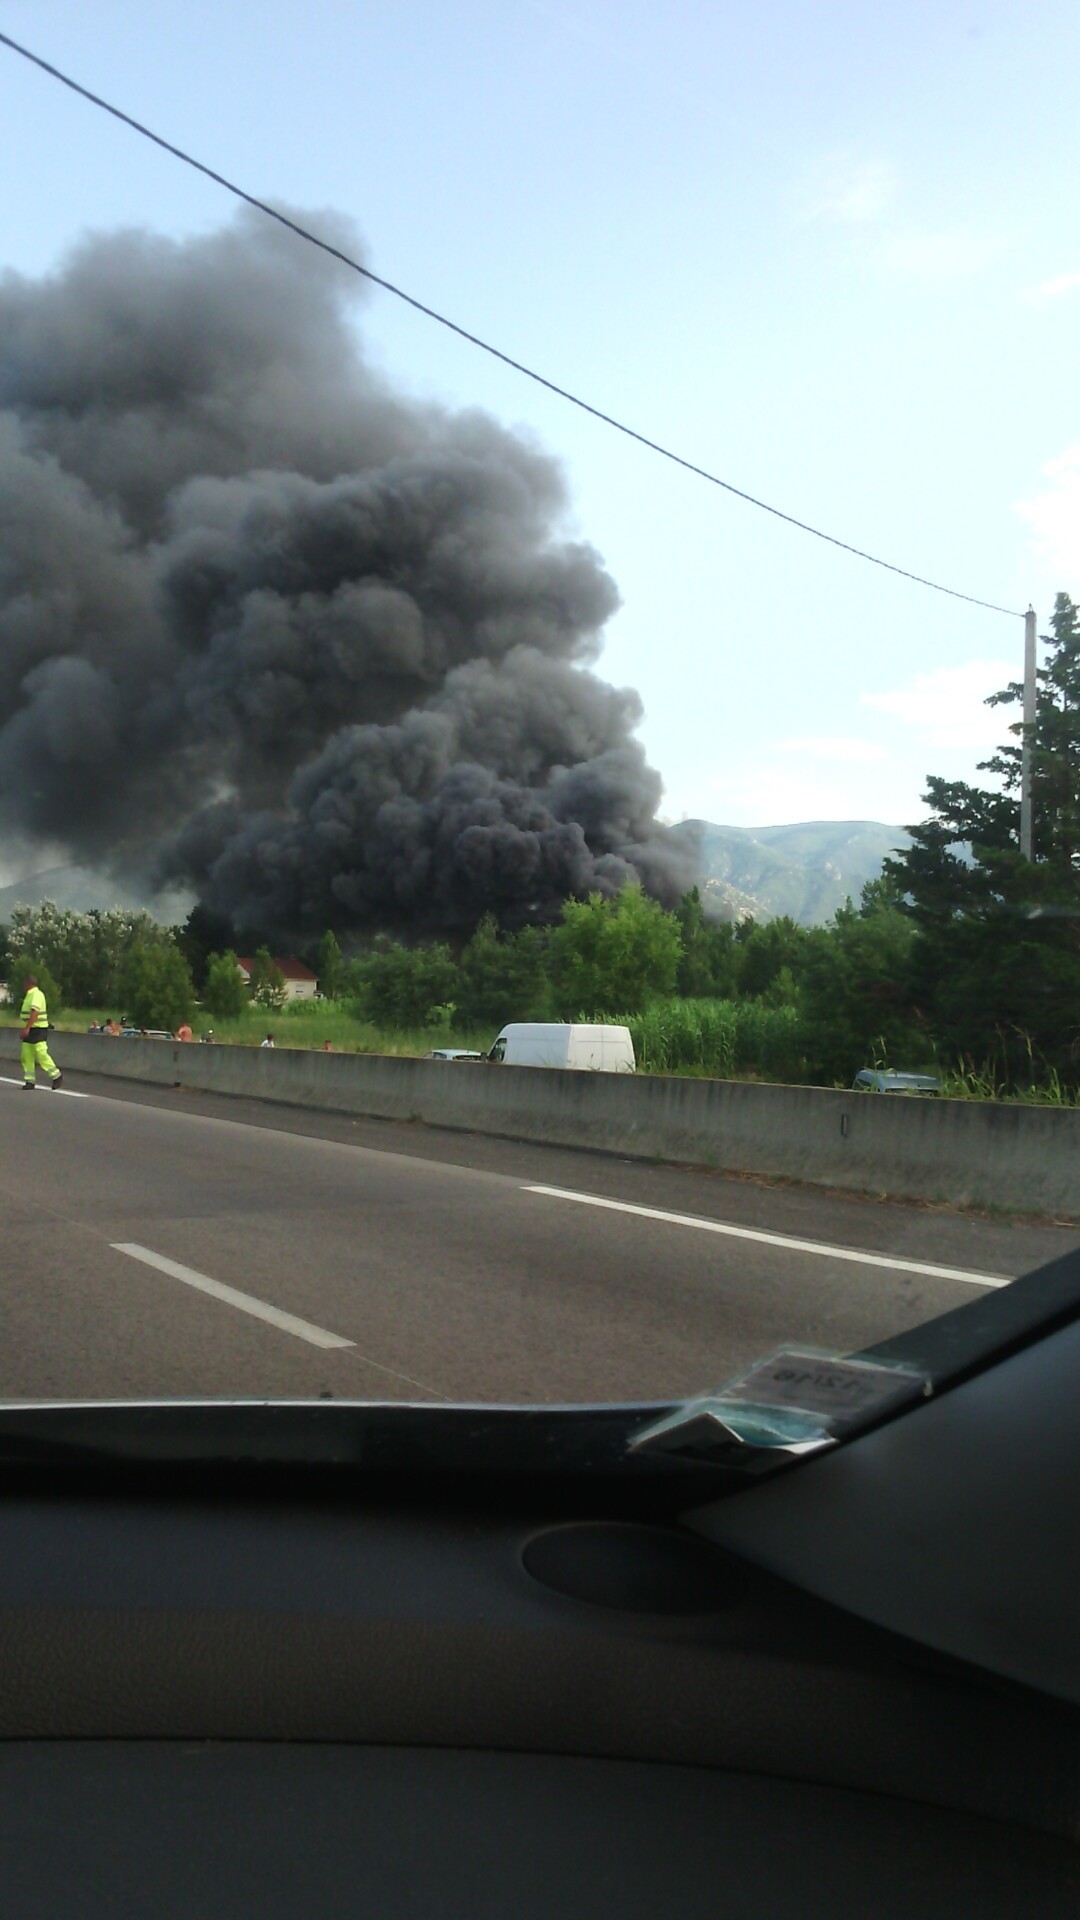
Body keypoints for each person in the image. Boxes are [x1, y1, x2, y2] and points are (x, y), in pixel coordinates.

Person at [18, 974, 62, 1091]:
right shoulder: (30, 994)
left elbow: (35, 1012)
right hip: (32, 1028)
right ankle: (30, 1080)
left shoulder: (36, 994)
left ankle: (56, 1075)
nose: (23, 986)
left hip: (38, 1029)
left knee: (41, 1053)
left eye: (24, 984)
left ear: (28, 984)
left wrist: (27, 1028)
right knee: (26, 1055)